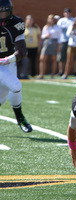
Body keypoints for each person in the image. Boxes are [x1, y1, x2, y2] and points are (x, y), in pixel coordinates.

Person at [0, 0, 32, 132]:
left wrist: (6, 60)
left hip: (8, 63)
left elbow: (22, 51)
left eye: (5, 12)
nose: (3, 16)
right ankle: (20, 118)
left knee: (2, 97)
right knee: (16, 85)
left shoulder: (16, 23)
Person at [38, 14, 61, 79]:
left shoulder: (57, 27)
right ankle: (41, 74)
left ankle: (52, 75)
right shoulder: (46, 27)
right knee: (42, 59)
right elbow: (42, 36)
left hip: (54, 43)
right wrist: (46, 35)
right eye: (50, 19)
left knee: (54, 59)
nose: (51, 20)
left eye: (52, 19)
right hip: (46, 42)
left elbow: (59, 37)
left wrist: (59, 47)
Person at [57, 8, 74, 76]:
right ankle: (61, 71)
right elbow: (58, 29)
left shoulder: (73, 20)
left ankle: (72, 71)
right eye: (66, 12)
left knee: (71, 57)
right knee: (62, 57)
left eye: (69, 12)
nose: (67, 14)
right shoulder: (61, 20)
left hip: (71, 41)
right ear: (64, 13)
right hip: (63, 40)